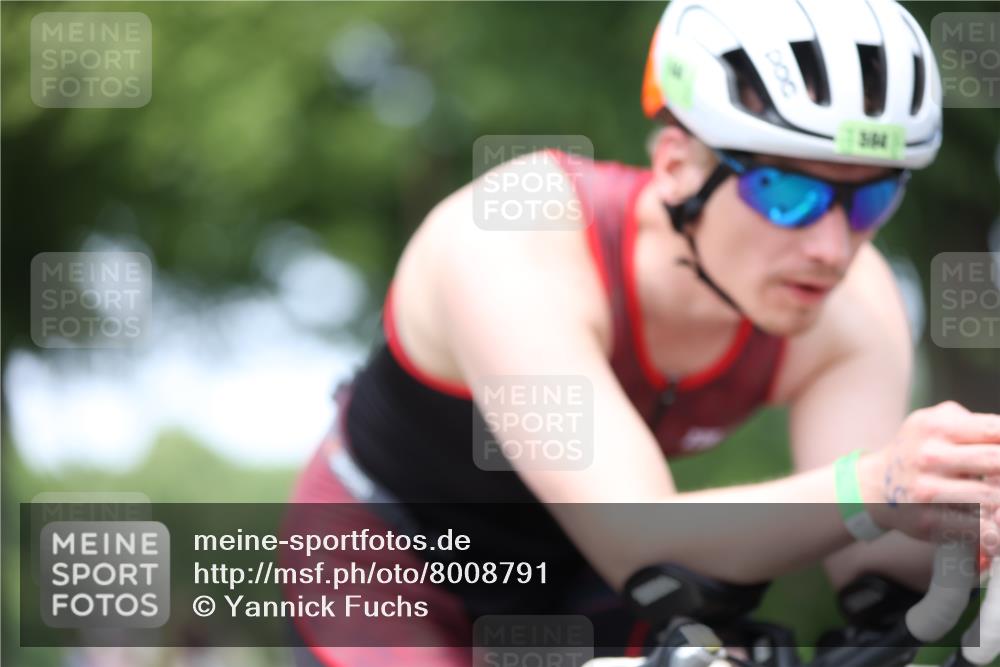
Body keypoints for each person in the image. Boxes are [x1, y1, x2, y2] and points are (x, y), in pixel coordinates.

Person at [285, 1, 1000, 665]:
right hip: (385, 557)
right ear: (677, 168)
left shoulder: (854, 299)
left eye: (872, 195)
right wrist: (879, 481)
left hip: (588, 578)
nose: (833, 248)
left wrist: (969, 527)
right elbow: (640, 533)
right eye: (788, 193)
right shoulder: (518, 232)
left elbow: (868, 557)